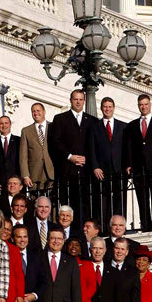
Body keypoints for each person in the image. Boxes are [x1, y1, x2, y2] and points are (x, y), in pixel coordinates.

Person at [48, 89, 96, 224]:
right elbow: (55, 142)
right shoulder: (60, 118)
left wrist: (87, 158)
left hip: (86, 170)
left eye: (81, 99)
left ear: (84, 101)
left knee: (86, 203)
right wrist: (70, 156)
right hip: (67, 169)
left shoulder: (92, 120)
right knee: (67, 202)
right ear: (71, 100)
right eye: (76, 99)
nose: (78, 102)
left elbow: (94, 143)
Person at [123, 94, 152, 231]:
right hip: (139, 168)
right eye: (141, 104)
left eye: (146, 104)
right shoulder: (131, 126)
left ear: (150, 104)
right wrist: (128, 164)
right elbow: (128, 147)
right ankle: (146, 225)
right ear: (138, 106)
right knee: (142, 198)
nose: (143, 107)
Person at [87, 97, 126, 219]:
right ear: (101, 108)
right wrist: (95, 167)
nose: (107, 109)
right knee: (103, 201)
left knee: (120, 200)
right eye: (105, 107)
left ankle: (119, 225)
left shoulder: (123, 126)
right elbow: (91, 149)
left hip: (119, 169)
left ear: (113, 108)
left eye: (109, 107)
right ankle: (104, 228)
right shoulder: (94, 127)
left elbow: (127, 149)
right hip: (102, 171)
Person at [19, 103, 53, 190]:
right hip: (34, 174)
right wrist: (25, 175)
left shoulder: (54, 126)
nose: (36, 113)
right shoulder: (26, 131)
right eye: (33, 111)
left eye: (38, 110)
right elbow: (23, 155)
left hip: (52, 170)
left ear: (44, 112)